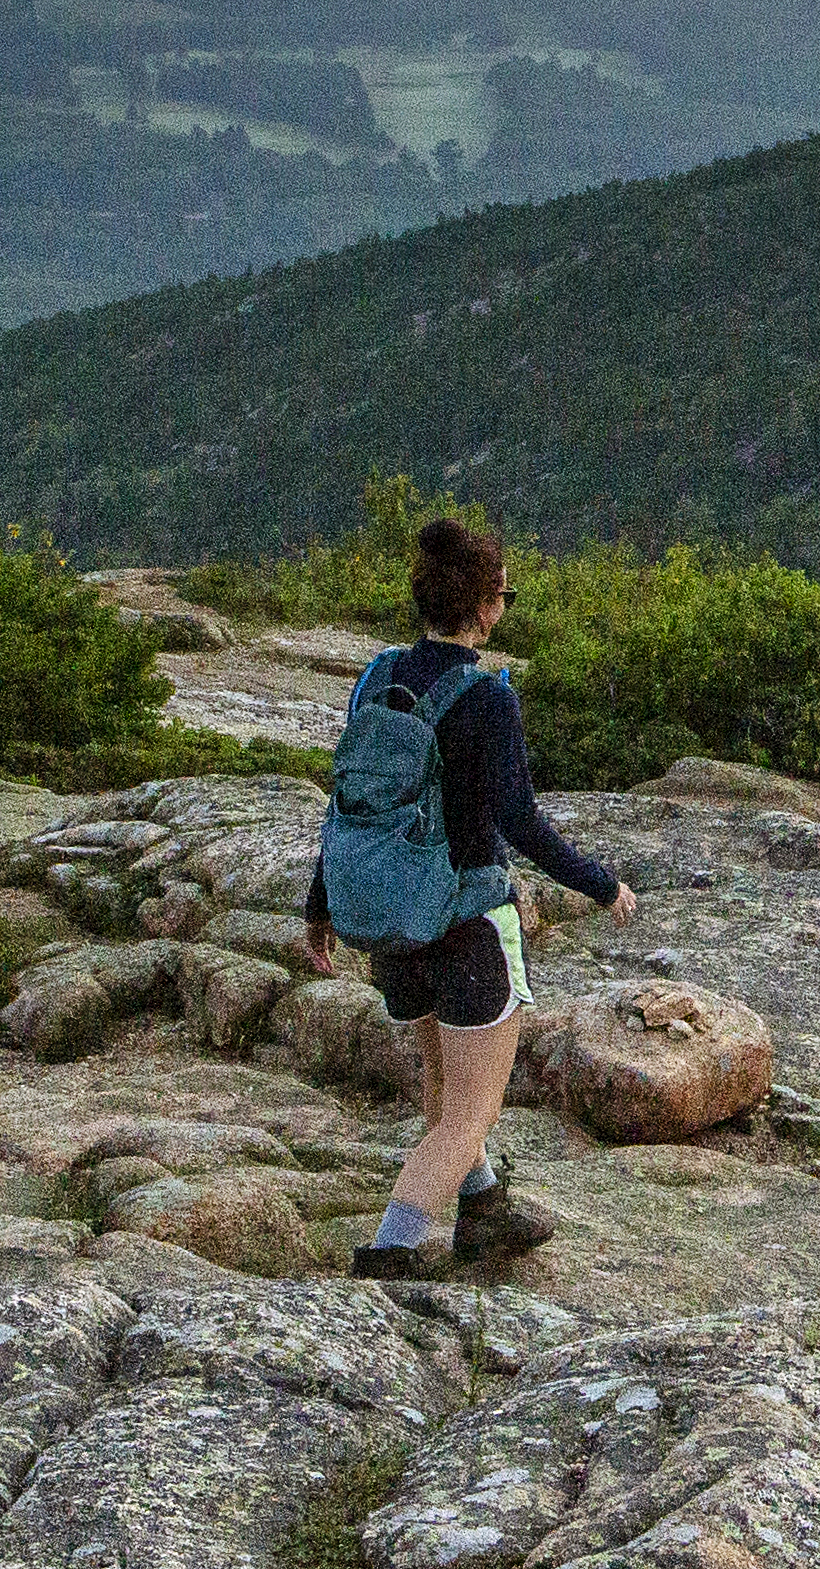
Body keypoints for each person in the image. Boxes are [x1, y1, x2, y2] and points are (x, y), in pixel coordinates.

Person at [298, 514, 634, 1275]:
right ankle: (388, 1256)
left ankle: (482, 1211)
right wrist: (600, 882)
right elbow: (519, 820)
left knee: (445, 1085)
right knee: (469, 1112)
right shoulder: (488, 699)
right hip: (467, 924)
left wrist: (319, 908)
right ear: (484, 604)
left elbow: (348, 802)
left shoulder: (376, 676)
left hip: (390, 924)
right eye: (504, 594)